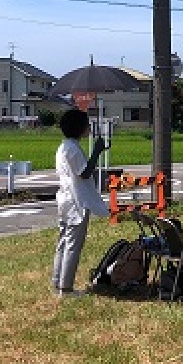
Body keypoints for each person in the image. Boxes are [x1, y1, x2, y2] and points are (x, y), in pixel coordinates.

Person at [52, 109, 109, 298]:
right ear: (79, 127)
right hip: (76, 201)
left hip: (66, 200)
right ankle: (66, 288)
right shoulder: (73, 149)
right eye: (86, 124)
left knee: (63, 242)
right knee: (73, 245)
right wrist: (97, 152)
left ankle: (57, 283)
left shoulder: (65, 146)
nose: (88, 128)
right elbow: (84, 172)